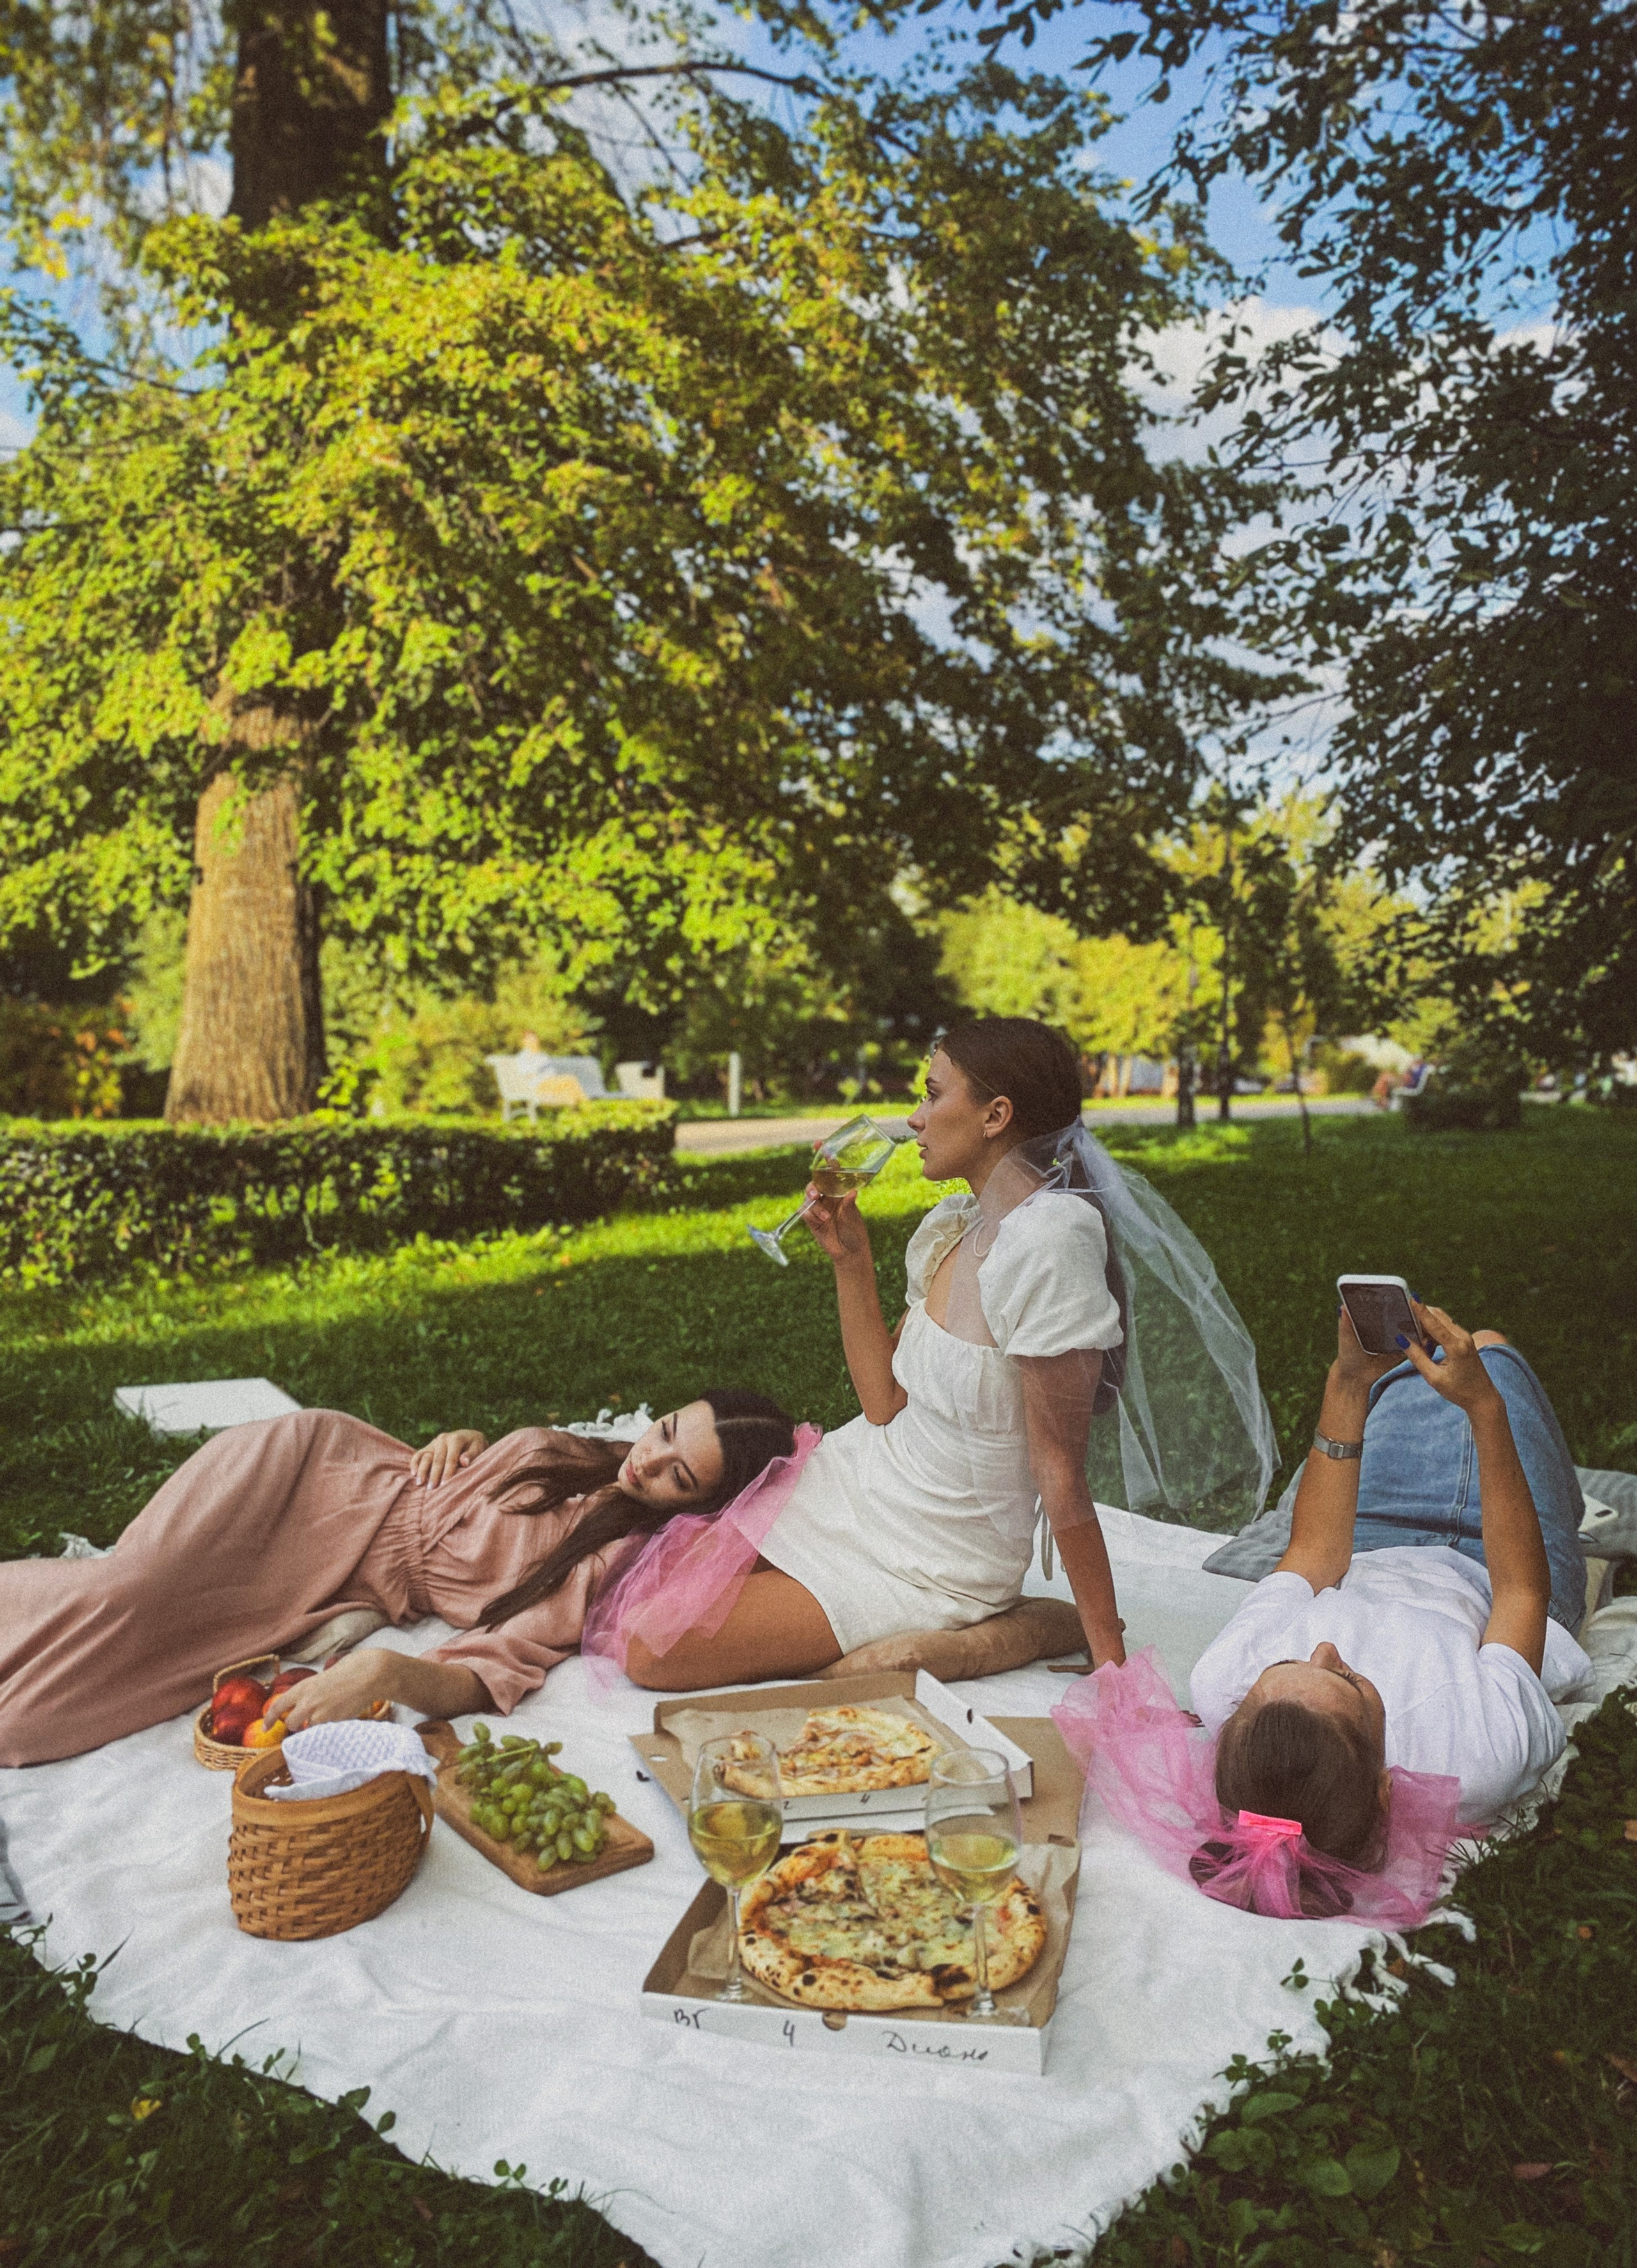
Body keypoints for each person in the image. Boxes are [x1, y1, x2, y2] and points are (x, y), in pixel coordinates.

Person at [619, 1016, 1272, 1690]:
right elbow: (881, 1404)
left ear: (995, 1115)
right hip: (861, 1482)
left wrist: (1109, 1655)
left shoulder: (1051, 1245)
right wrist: (851, 1261)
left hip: (936, 1552)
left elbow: (1060, 1473)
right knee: (641, 1568)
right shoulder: (957, 1226)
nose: (914, 1118)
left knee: (652, 1648)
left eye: (933, 1095)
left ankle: (1019, 1628)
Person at [0, 1390, 797, 1766]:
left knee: (69, 1702)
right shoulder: (583, 1454)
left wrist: (384, 1669)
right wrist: (460, 1436)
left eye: (676, 1479)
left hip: (336, 1578)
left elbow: (487, 1671)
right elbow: (466, 1475)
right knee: (130, 1586)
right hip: (315, 1465)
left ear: (700, 1512)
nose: (646, 1459)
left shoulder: (602, 1565)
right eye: (663, 1432)